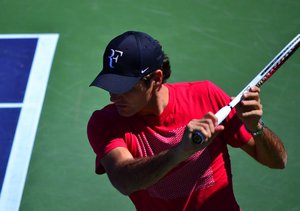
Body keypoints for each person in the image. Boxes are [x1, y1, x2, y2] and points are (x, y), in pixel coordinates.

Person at [87, 31, 287, 211]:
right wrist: (180, 152)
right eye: (110, 86)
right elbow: (124, 180)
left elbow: (278, 161)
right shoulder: (105, 122)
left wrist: (256, 128)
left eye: (123, 87)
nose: (113, 97)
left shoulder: (206, 96)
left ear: (156, 78)